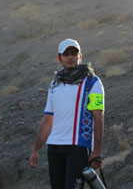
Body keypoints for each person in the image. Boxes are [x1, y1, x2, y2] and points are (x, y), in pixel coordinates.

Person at [29, 39, 105, 189]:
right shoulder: (54, 84)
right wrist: (36, 150)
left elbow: (98, 117)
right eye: (66, 54)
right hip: (54, 147)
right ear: (59, 58)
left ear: (80, 56)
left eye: (74, 53)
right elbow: (47, 120)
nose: (70, 57)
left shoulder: (93, 82)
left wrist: (96, 151)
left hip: (78, 148)